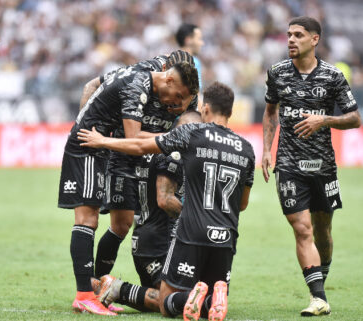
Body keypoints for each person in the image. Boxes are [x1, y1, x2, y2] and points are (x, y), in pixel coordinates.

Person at [78, 81, 255, 321]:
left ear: (204, 108)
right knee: (211, 305)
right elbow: (242, 204)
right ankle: (214, 295)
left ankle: (176, 295)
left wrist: (104, 141)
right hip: (225, 236)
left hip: (191, 232)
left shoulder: (193, 133)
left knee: (166, 303)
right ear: (231, 112)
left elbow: (141, 144)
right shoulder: (247, 149)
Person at [58, 61, 199, 316]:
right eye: (177, 95)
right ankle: (84, 295)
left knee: (105, 222)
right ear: (168, 79)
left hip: (98, 145)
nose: (175, 103)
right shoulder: (138, 86)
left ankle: (94, 291)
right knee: (86, 219)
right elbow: (134, 140)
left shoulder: (143, 79)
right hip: (89, 144)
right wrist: (176, 137)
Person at [262, 16, 361, 316]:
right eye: (289, 35)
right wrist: (267, 150)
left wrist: (325, 119)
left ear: (314, 39)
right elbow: (270, 113)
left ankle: (320, 279)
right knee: (301, 229)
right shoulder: (277, 73)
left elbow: (355, 118)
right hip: (289, 165)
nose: (291, 40)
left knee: (322, 232)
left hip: (323, 166)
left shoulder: (332, 76)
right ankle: (317, 297)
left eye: (298, 35)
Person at [92, 52, 198, 283]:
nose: (178, 101)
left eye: (183, 96)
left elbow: (192, 129)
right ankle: (97, 282)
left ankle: (161, 278)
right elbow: (93, 85)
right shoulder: (140, 80)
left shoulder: (189, 96)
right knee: (121, 225)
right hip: (124, 158)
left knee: (157, 219)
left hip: (158, 163)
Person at [97, 110, 202, 313]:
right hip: (159, 245)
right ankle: (118, 289)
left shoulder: (153, 151)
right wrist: (195, 218)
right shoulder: (174, 154)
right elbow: (164, 200)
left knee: (171, 301)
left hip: (146, 241)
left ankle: (116, 288)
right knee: (174, 302)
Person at [176, 23, 204, 95]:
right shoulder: (193, 62)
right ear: (188, 40)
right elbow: (195, 95)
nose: (202, 43)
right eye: (199, 39)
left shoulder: (171, 59)